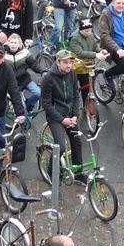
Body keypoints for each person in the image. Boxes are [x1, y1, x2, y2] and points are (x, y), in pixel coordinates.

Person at [41, 49, 85, 178]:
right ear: (58, 62)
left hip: (70, 115)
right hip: (55, 117)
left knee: (77, 142)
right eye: (65, 62)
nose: (69, 65)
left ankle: (79, 174)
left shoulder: (72, 74)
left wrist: (75, 115)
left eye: (70, 62)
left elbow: (76, 97)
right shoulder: (48, 78)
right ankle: (51, 172)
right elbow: (47, 104)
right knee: (60, 146)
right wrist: (62, 120)